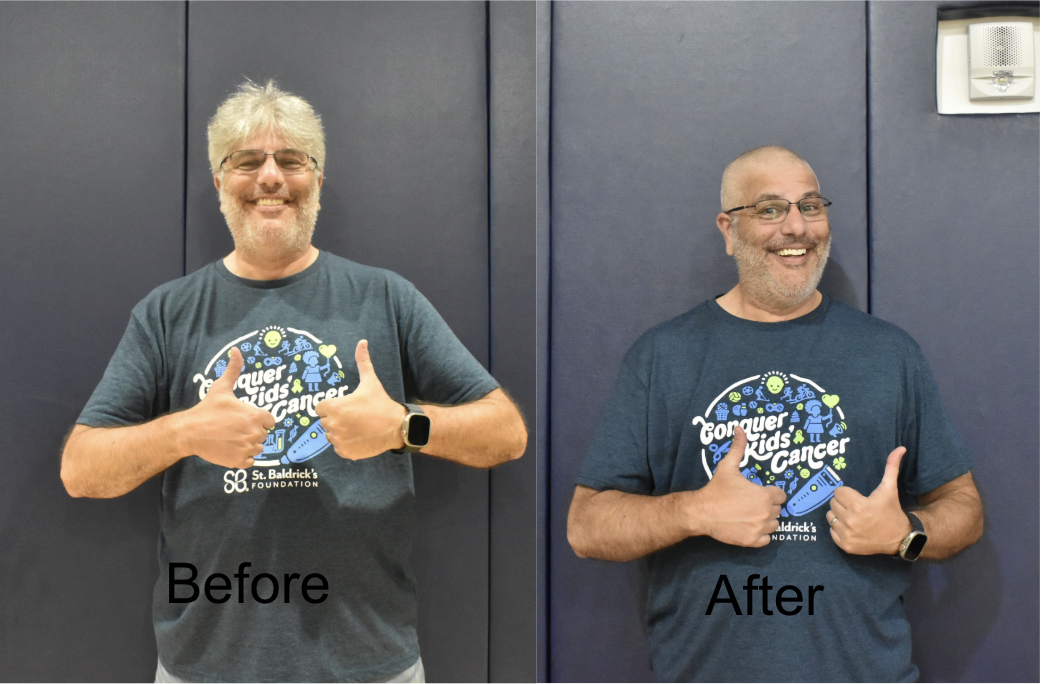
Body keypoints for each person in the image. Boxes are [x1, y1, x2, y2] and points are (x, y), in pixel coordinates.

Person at [61, 80, 527, 683]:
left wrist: (401, 427)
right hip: (205, 667)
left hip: (368, 664)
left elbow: (506, 432)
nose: (271, 178)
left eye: (292, 161)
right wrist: (183, 433)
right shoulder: (167, 313)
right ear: (220, 182)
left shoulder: (385, 297)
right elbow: (80, 468)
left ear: (318, 180)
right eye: (247, 162)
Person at [567, 146, 983, 682]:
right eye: (769, 209)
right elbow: (587, 526)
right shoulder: (664, 355)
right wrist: (694, 512)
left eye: (810, 206)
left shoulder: (888, 354)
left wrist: (907, 532)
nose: (797, 227)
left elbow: (964, 507)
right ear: (727, 228)